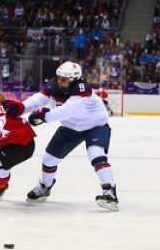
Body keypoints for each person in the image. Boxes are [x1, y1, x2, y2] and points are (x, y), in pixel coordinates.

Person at [22, 61, 119, 211]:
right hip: (71, 127)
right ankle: (45, 186)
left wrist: (43, 116)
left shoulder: (82, 89)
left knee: (96, 154)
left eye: (64, 79)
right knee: (49, 159)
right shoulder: (54, 86)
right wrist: (19, 108)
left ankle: (110, 192)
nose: (60, 82)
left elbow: (66, 111)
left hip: (95, 126)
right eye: (59, 78)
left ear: (74, 79)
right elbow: (36, 100)